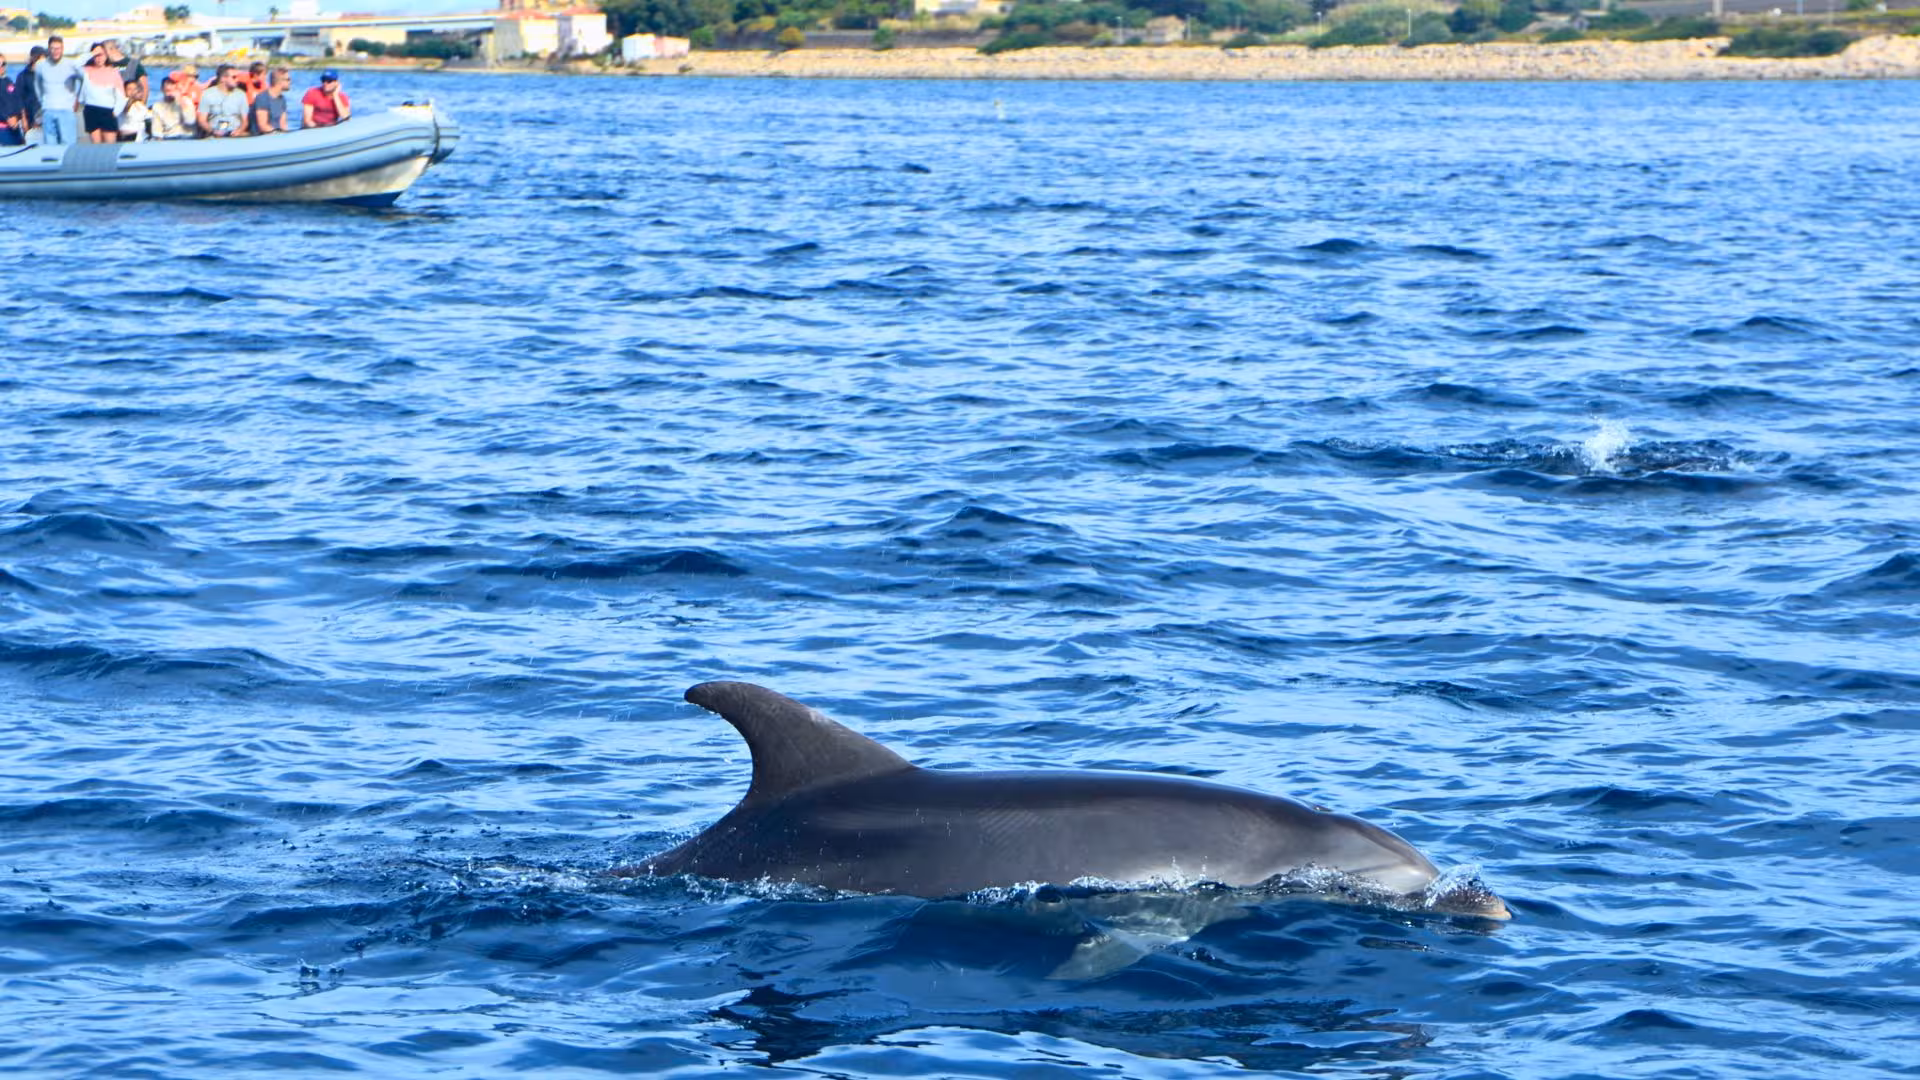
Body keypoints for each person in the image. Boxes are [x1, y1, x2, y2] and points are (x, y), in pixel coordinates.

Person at [33, 35, 85, 146]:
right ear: (48, 49)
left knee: (68, 145)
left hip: (66, 109)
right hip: (48, 110)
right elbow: (37, 86)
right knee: (50, 146)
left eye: (58, 48)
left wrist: (77, 99)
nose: (55, 51)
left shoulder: (71, 64)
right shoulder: (41, 65)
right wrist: (43, 102)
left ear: (62, 49)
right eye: (52, 48)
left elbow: (84, 80)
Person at [78, 43, 125, 144]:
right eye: (96, 55)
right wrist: (91, 53)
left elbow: (121, 95)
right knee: (96, 146)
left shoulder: (113, 72)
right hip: (91, 110)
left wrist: (115, 112)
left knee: (109, 145)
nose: (99, 58)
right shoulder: (86, 70)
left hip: (108, 111)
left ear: (106, 55)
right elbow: (75, 64)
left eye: (101, 55)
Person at [197, 63, 248, 137]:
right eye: (234, 77)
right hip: (214, 133)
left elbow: (245, 121)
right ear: (223, 78)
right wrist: (213, 131)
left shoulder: (241, 95)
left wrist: (239, 130)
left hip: (235, 133)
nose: (237, 80)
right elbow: (202, 120)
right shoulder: (208, 94)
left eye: (237, 77)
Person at [147, 73, 195, 139]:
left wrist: (181, 102)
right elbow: (157, 131)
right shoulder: (157, 106)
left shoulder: (186, 101)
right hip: (169, 137)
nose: (170, 93)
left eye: (172, 90)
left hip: (186, 136)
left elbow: (190, 121)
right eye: (167, 91)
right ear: (162, 90)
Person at [249, 66, 291, 136]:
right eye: (288, 79)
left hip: (277, 135)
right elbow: (263, 126)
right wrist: (278, 134)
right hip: (262, 137)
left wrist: (286, 135)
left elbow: (283, 124)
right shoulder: (262, 98)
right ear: (280, 81)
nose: (290, 82)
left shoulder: (282, 99)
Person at [17, 45, 45, 139]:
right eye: (42, 58)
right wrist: (23, 119)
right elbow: (19, 98)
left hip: (45, 114)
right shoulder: (23, 76)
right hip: (30, 115)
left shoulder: (45, 73)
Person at [116, 77, 150, 141]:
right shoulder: (123, 101)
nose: (133, 91)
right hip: (127, 136)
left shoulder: (139, 104)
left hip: (141, 135)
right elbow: (125, 109)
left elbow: (147, 115)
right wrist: (132, 97)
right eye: (129, 89)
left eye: (135, 89)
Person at [0, 55, 24, 146]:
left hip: (15, 128)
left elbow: (17, 101)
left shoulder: (9, 81)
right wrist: (7, 118)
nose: (1, 67)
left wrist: (17, 117)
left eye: (3, 64)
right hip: (2, 129)